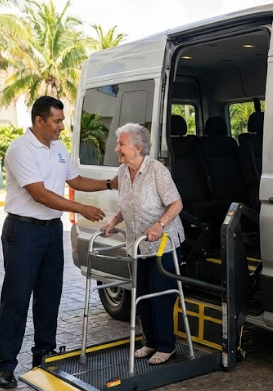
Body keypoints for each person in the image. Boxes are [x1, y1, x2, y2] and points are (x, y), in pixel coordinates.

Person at [0, 96, 114, 389]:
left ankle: (44, 354)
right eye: (57, 121)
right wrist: (81, 209)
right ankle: (6, 366)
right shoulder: (20, 150)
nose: (62, 126)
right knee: (17, 298)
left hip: (49, 231)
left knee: (49, 295)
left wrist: (112, 183)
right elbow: (41, 194)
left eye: (62, 120)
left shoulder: (58, 148)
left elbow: (76, 181)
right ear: (39, 121)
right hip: (23, 232)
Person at [102, 123, 185, 365]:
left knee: (160, 296)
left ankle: (166, 346)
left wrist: (160, 225)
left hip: (162, 245)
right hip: (137, 244)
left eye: (121, 144)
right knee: (143, 294)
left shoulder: (157, 170)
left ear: (138, 148)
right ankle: (150, 342)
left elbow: (177, 204)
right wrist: (113, 221)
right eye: (118, 144)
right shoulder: (122, 172)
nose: (117, 148)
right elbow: (126, 204)